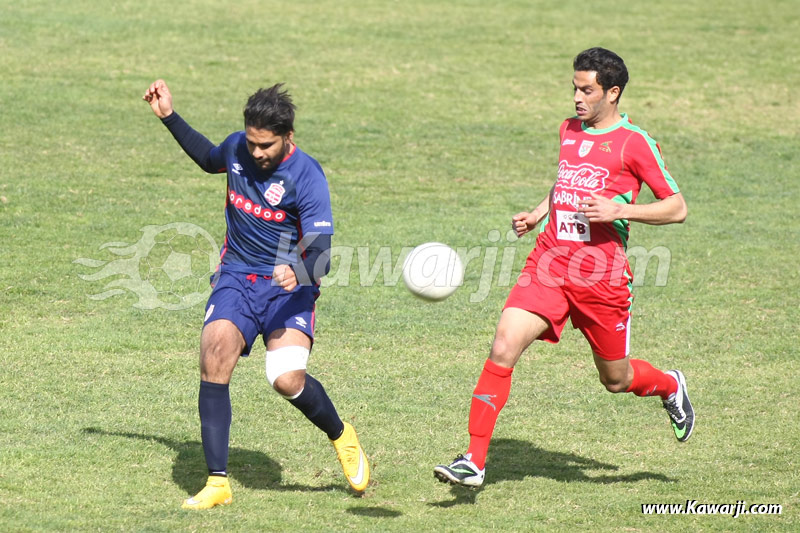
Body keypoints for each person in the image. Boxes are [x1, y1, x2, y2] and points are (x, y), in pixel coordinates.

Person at [434, 47, 694, 488]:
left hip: (602, 277)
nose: (576, 97)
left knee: (616, 379)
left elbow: (677, 207)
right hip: (550, 262)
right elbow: (567, 180)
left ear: (612, 93)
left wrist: (619, 210)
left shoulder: (635, 143)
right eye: (574, 87)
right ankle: (474, 461)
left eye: (586, 90)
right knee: (502, 347)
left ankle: (670, 385)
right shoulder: (569, 129)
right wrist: (540, 212)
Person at [143, 80, 369, 509]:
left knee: (285, 379)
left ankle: (341, 435)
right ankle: (217, 483)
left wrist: (298, 271)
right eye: (252, 142)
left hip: (290, 287)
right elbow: (209, 157)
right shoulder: (237, 150)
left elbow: (322, 256)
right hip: (236, 275)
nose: (257, 152)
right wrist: (169, 117)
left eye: (266, 145)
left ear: (288, 138)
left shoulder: (308, 176)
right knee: (214, 354)